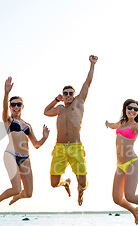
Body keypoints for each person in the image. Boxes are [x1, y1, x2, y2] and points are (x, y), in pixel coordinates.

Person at [44, 55, 98, 206]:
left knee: (83, 183)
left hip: (75, 147)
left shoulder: (79, 103)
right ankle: (65, 182)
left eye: (70, 93)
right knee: (54, 183)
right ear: (63, 95)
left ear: (74, 95)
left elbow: (88, 82)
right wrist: (56, 99)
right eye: (65, 93)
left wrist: (92, 64)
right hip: (60, 148)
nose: (68, 96)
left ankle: (81, 190)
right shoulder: (60, 109)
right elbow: (46, 111)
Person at [0, 77, 49, 211]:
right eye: (13, 105)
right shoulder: (8, 120)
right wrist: (6, 92)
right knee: (16, 188)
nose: (16, 107)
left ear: (22, 106)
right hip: (11, 154)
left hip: (25, 158)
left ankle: (17, 196)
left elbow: (37, 144)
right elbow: (4, 109)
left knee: (28, 193)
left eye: (18, 104)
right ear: (10, 107)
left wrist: (44, 137)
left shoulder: (28, 125)